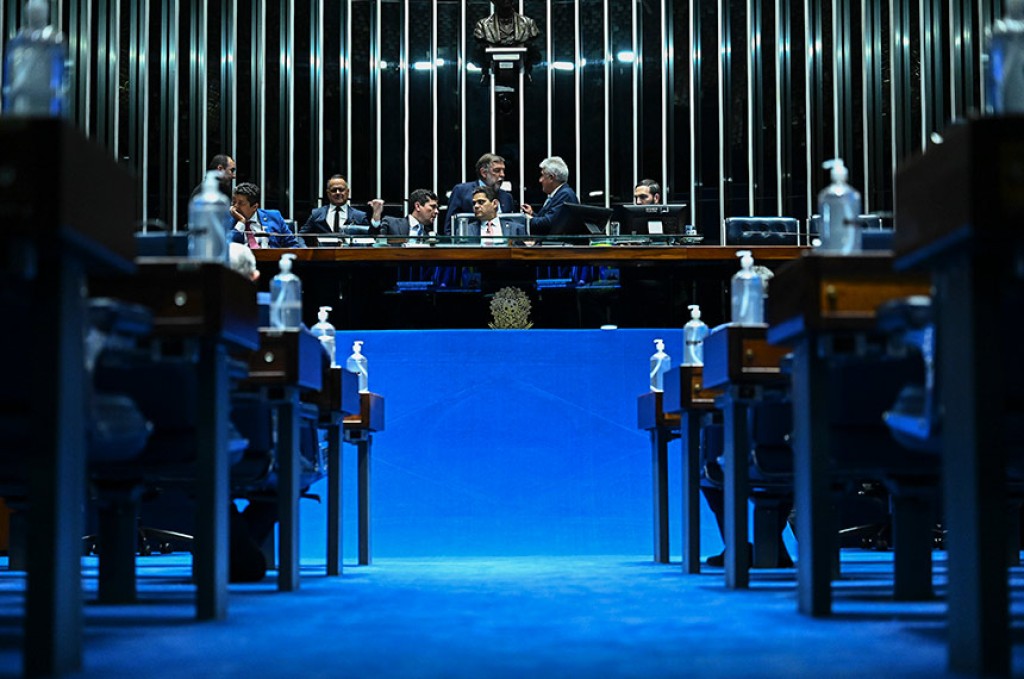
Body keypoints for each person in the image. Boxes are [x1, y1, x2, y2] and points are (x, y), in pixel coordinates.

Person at [443, 153, 516, 236]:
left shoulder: (506, 197)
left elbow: (512, 226)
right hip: (471, 241)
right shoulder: (461, 191)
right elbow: (450, 226)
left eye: (503, 170)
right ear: (484, 173)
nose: (502, 175)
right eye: (497, 170)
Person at [473, 0, 541, 81]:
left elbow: (536, 56)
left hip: (519, 72)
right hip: (494, 72)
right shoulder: (482, 25)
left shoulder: (528, 23)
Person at [298, 174, 371, 246]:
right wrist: (305, 250)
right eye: (334, 190)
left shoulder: (359, 216)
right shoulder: (316, 214)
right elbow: (300, 236)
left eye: (341, 190)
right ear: (328, 193)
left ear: (347, 192)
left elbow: (371, 237)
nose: (338, 193)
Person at [229, 182, 305, 249]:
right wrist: (241, 222)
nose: (235, 206)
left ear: (254, 207)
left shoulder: (274, 217)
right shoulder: (227, 220)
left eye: (241, 203)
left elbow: (293, 245)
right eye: (234, 202)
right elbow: (227, 246)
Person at [521, 156, 579, 236]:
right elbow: (552, 219)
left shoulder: (565, 195)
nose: (540, 180)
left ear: (551, 177)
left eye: (542, 176)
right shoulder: (560, 194)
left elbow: (547, 224)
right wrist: (532, 214)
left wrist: (523, 219)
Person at [370, 188, 439, 239]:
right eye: (433, 207)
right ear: (417, 206)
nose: (436, 211)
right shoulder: (391, 223)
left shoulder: (431, 235)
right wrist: (376, 215)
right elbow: (375, 240)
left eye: (437, 208)